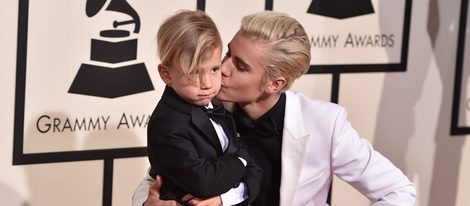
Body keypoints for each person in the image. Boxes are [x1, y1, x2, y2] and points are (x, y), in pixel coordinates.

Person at [133, 10, 416, 206]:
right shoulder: (202, 107)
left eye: (240, 66)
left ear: (274, 84)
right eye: (228, 53)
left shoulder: (324, 124)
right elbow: (161, 174)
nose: (223, 68)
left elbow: (398, 191)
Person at [145, 10, 262, 206]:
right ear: (166, 74)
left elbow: (256, 172)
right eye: (194, 73)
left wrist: (226, 193)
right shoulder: (167, 123)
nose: (207, 83)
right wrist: (240, 161)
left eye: (214, 69)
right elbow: (204, 182)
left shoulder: (217, 105)